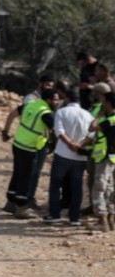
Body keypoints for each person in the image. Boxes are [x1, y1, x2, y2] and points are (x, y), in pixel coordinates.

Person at [1, 72, 55, 212]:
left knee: (19, 173)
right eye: (48, 85)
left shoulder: (33, 103)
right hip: (32, 145)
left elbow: (13, 114)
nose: (50, 88)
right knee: (29, 175)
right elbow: (54, 128)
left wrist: (6, 132)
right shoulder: (36, 104)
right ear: (41, 84)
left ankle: (12, 202)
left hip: (20, 141)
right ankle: (23, 204)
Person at [43, 85, 92, 226]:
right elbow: (92, 135)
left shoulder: (61, 112)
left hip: (63, 154)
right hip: (79, 157)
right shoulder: (88, 115)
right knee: (76, 187)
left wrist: (70, 144)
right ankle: (74, 218)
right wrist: (79, 145)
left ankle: (54, 214)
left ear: (67, 98)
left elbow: (59, 131)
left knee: (55, 185)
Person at [83, 90, 115, 231]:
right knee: (109, 187)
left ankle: (102, 218)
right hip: (112, 158)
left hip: (104, 157)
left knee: (99, 188)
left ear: (108, 103)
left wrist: (98, 115)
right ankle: (111, 218)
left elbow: (92, 128)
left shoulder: (109, 121)